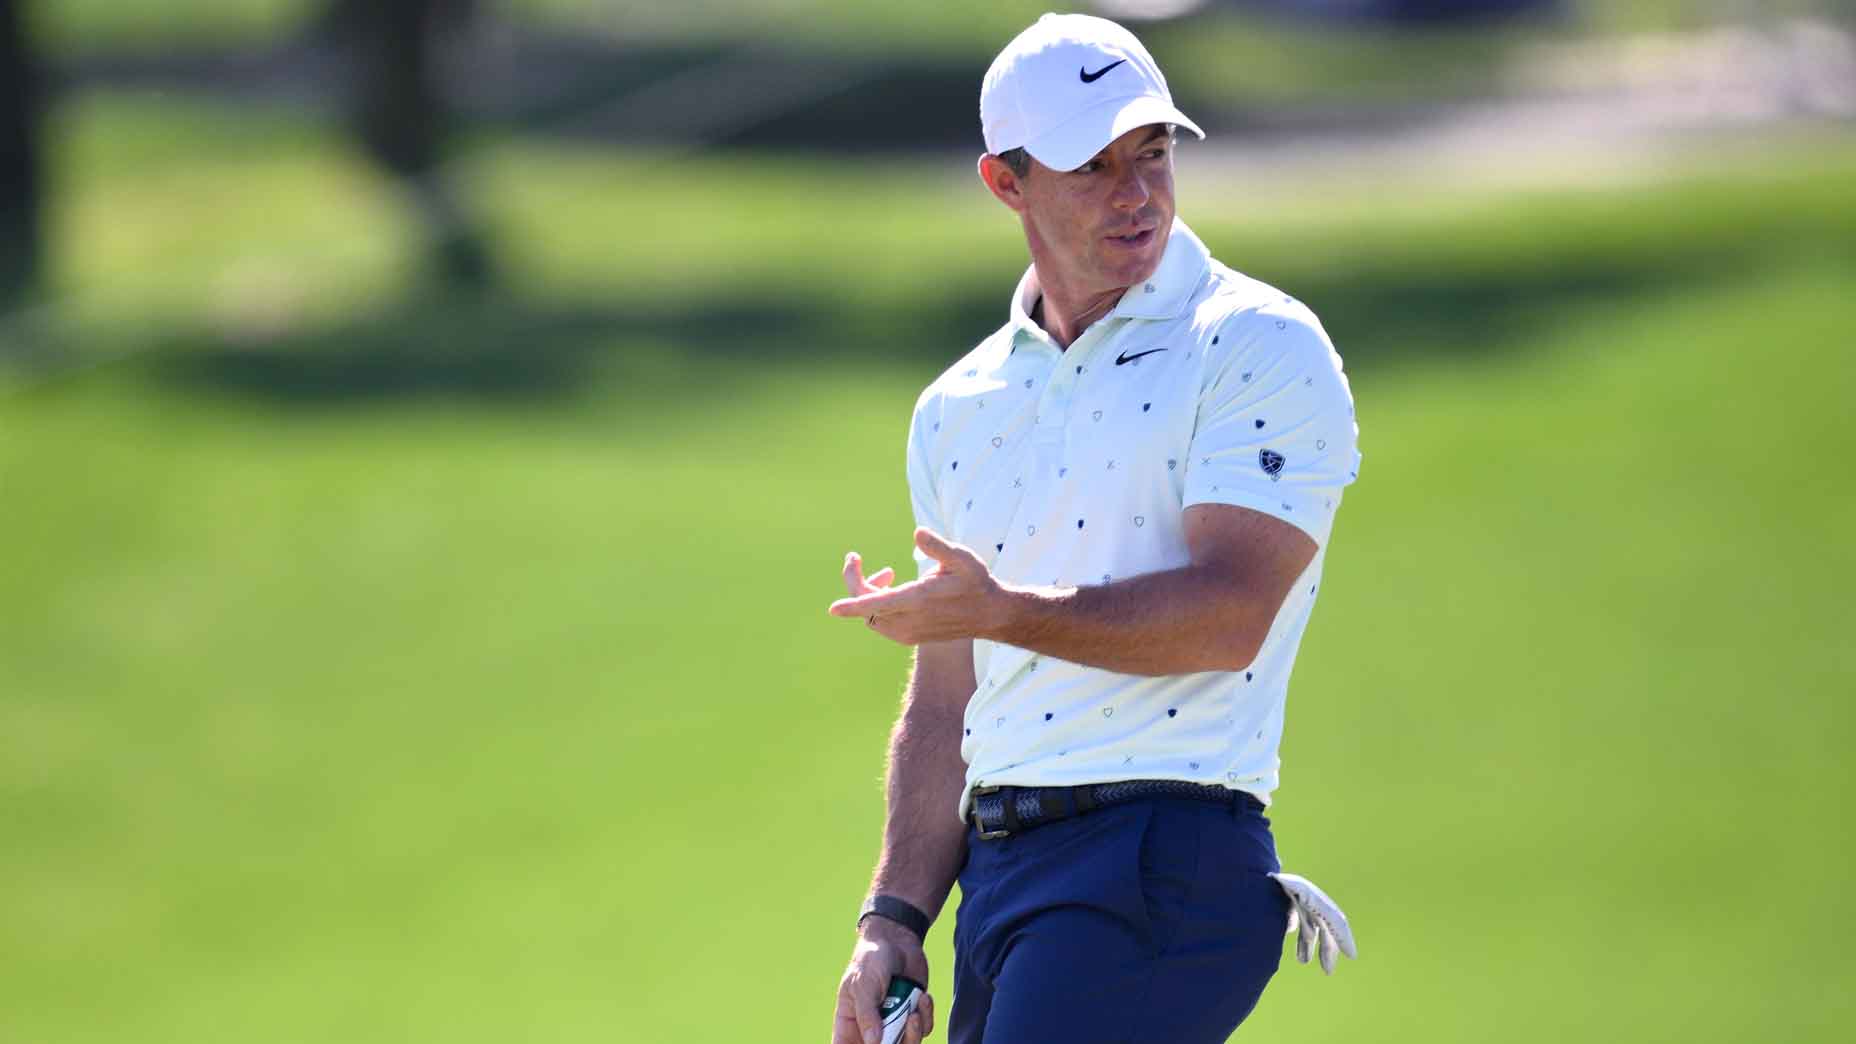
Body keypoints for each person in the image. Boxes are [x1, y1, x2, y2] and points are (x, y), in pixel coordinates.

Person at [826, 14, 1360, 1044]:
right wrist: (891, 917)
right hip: (1001, 886)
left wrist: (1001, 611)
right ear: (1005, 182)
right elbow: (946, 704)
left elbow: (1226, 618)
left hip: (1163, 861)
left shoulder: (1253, 344)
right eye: (1092, 165)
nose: (1137, 191)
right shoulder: (958, 405)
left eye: (1152, 152)